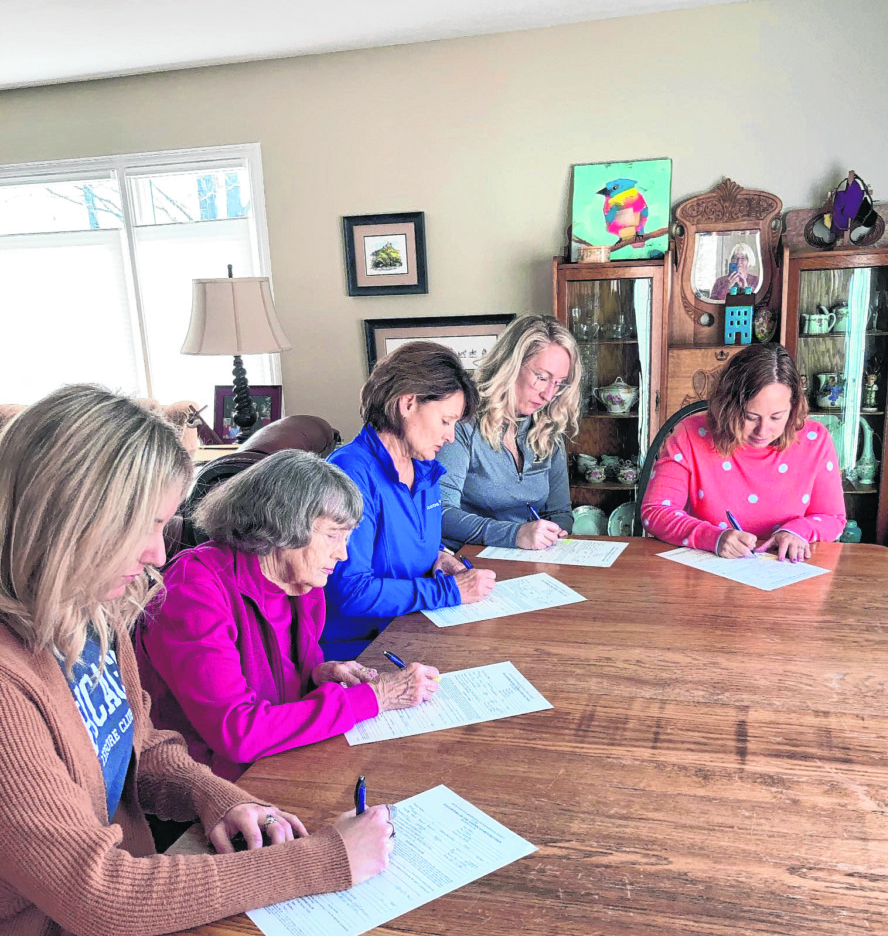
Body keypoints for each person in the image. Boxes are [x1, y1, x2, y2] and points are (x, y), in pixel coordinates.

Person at [0, 385, 394, 936]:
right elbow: (98, 895)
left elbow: (145, 747)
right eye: (145, 525)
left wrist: (215, 797)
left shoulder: (91, 611)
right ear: (69, 517)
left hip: (131, 924)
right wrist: (323, 860)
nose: (158, 553)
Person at [136, 449, 438, 782]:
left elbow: (275, 692)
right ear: (284, 522)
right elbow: (238, 733)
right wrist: (375, 697)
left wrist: (316, 676)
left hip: (277, 763)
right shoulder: (194, 590)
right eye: (333, 536)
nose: (343, 554)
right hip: (210, 787)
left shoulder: (301, 583)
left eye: (347, 538)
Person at [322, 342, 497, 659]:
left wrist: (439, 557)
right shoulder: (350, 473)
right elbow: (351, 592)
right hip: (361, 648)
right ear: (407, 403)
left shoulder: (425, 468)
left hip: (413, 626)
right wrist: (449, 591)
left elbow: (404, 542)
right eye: (445, 421)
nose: (451, 437)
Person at [641, 344, 846, 560]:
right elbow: (655, 512)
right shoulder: (690, 435)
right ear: (727, 406)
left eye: (776, 417)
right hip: (709, 569)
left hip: (787, 569)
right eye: (750, 417)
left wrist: (797, 532)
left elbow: (833, 518)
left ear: (793, 407)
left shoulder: (815, 440)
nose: (763, 430)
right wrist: (712, 538)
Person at [437, 314, 581, 549]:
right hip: (466, 559)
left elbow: (559, 511)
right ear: (510, 366)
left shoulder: (547, 427)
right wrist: (515, 534)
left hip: (528, 559)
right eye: (541, 377)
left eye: (558, 383)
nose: (548, 395)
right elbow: (441, 513)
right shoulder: (462, 422)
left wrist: (556, 531)